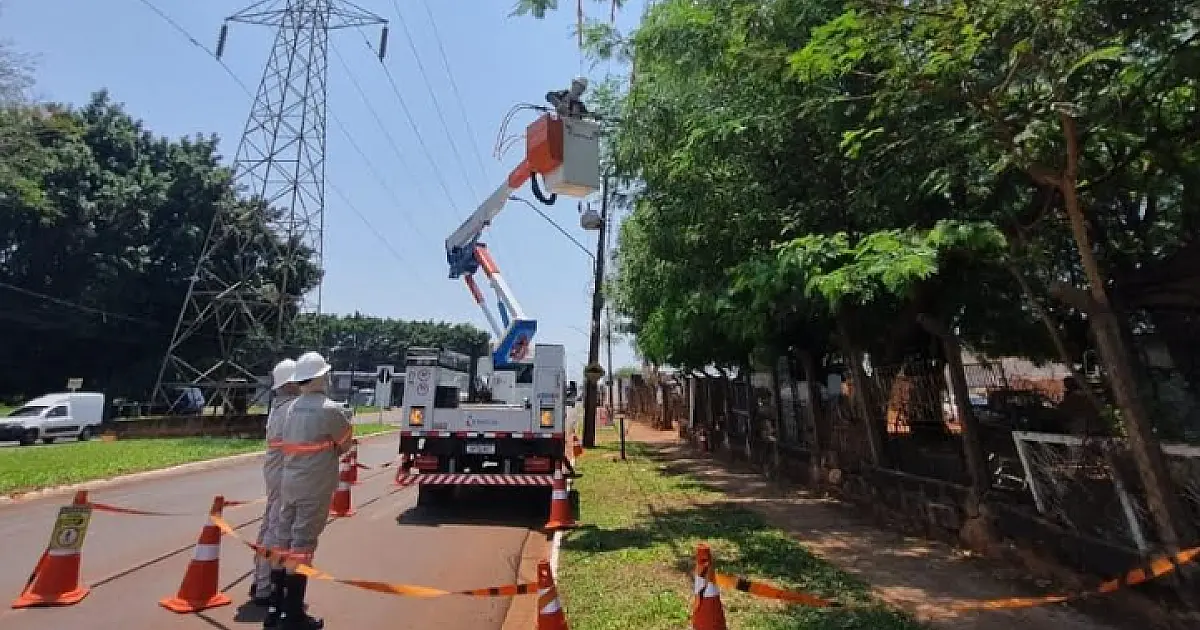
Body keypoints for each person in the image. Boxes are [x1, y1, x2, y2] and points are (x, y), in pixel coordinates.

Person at [266, 351, 353, 630]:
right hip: (314, 485)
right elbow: (345, 443)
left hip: (289, 482)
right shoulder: (330, 410)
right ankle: (292, 616)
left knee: (282, 540)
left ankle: (276, 607)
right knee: (302, 547)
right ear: (319, 377)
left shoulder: (290, 407)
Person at [251, 358, 299, 616]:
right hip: (283, 473)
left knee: (269, 523)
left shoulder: (279, 407)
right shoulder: (291, 409)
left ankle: (260, 578)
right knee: (276, 529)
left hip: (275, 470)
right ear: (291, 383)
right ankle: (265, 585)